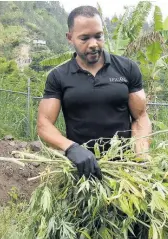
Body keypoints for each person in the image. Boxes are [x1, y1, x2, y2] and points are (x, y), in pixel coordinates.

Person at [36, 5, 152, 180]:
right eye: (84, 38)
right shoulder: (58, 76)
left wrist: (141, 155)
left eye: (98, 36)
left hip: (124, 169)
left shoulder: (127, 68)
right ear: (70, 38)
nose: (93, 44)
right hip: (81, 170)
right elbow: (44, 124)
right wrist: (71, 148)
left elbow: (140, 116)